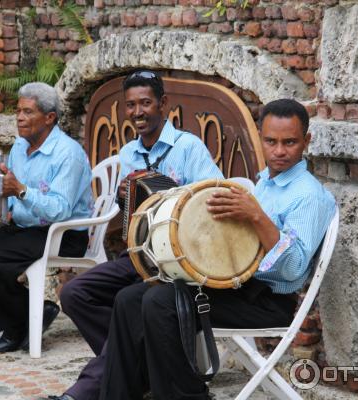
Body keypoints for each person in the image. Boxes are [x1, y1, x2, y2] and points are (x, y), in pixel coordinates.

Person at [96, 99, 336, 399]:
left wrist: (257, 217)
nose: (279, 151)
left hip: (268, 302)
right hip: (235, 287)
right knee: (129, 298)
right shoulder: (264, 183)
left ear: (306, 141)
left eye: (290, 142)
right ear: (259, 137)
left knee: (161, 301)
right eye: (271, 141)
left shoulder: (309, 195)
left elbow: (294, 269)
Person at [39, 70, 224, 400]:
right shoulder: (128, 154)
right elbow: (127, 220)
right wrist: (125, 195)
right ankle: (142, 362)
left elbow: (211, 198)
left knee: (133, 305)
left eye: (146, 103)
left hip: (175, 263)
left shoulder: (189, 147)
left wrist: (171, 193)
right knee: (75, 294)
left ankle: (86, 390)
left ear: (162, 104)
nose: (138, 112)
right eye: (130, 105)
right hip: (139, 256)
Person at [0, 82, 93, 353]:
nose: (19, 117)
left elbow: (60, 210)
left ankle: (17, 325)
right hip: (25, 227)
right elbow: (14, 191)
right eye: (18, 111)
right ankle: (32, 314)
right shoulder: (19, 147)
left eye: (28, 112)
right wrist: (2, 203)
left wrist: (22, 191)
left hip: (62, 233)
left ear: (49, 118)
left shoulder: (67, 153)